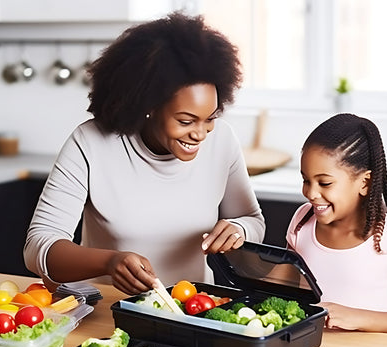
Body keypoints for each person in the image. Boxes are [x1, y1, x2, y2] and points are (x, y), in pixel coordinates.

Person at [24, 12, 265, 295]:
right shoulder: (91, 142)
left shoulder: (222, 140)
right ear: (147, 106)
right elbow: (38, 246)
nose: (200, 134)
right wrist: (110, 261)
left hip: (195, 311)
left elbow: (252, 220)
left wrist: (239, 229)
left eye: (209, 118)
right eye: (186, 121)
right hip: (110, 311)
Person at [284, 113, 387, 337]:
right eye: (306, 180)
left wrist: (356, 317)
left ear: (364, 182)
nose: (311, 193)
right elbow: (282, 294)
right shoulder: (302, 221)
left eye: (324, 182)